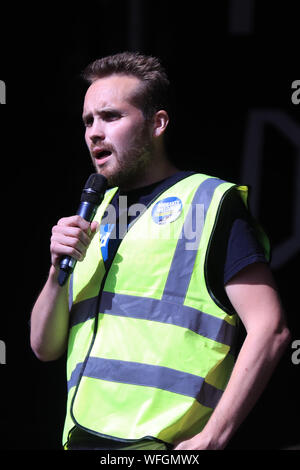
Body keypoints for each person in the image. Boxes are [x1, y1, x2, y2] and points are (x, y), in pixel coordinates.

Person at [30, 52, 290, 451]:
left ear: (158, 123)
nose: (94, 133)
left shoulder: (205, 201)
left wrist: (214, 436)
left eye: (111, 117)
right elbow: (43, 347)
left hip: (162, 445)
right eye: (88, 121)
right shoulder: (98, 213)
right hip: (81, 440)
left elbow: (270, 329)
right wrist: (55, 272)